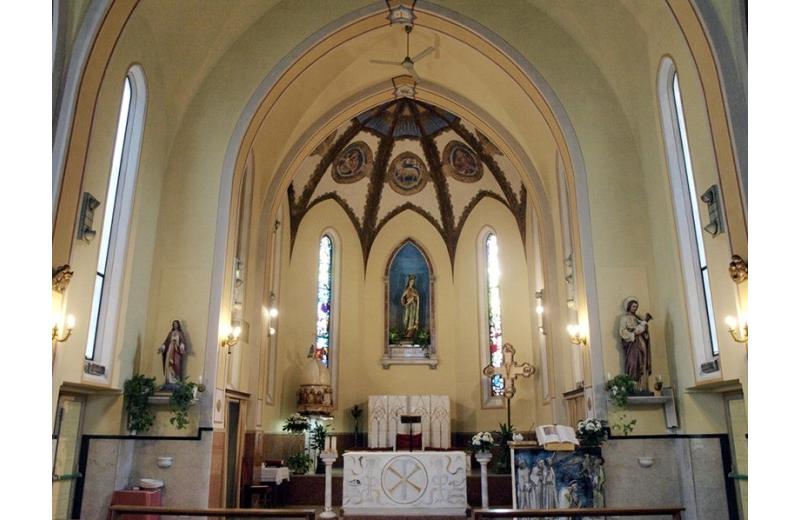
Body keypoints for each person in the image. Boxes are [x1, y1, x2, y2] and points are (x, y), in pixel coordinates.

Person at [619, 297, 653, 391]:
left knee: (643, 361)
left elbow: (645, 334)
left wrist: (645, 331)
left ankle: (643, 388)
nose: (635, 308)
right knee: (632, 363)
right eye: (633, 306)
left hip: (641, 343)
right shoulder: (624, 318)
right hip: (632, 345)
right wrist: (633, 334)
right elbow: (622, 332)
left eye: (636, 307)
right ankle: (632, 388)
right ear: (629, 306)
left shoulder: (639, 319)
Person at [158, 320, 187, 386]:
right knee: (169, 364)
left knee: (176, 364)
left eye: (176, 324)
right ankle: (169, 380)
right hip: (170, 349)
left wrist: (182, 346)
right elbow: (166, 342)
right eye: (174, 324)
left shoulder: (180, 333)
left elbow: (183, 342)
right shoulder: (170, 333)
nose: (175, 325)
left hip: (177, 351)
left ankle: (176, 380)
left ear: (178, 325)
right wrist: (162, 347)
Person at [400, 274, 420, 339]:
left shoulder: (415, 290)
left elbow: (417, 299)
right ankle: (406, 333)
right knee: (406, 319)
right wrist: (406, 302)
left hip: (413, 307)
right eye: (411, 281)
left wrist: (416, 297)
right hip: (408, 307)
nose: (412, 283)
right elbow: (402, 298)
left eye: (413, 282)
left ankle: (410, 335)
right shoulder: (407, 290)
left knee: (412, 319)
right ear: (408, 282)